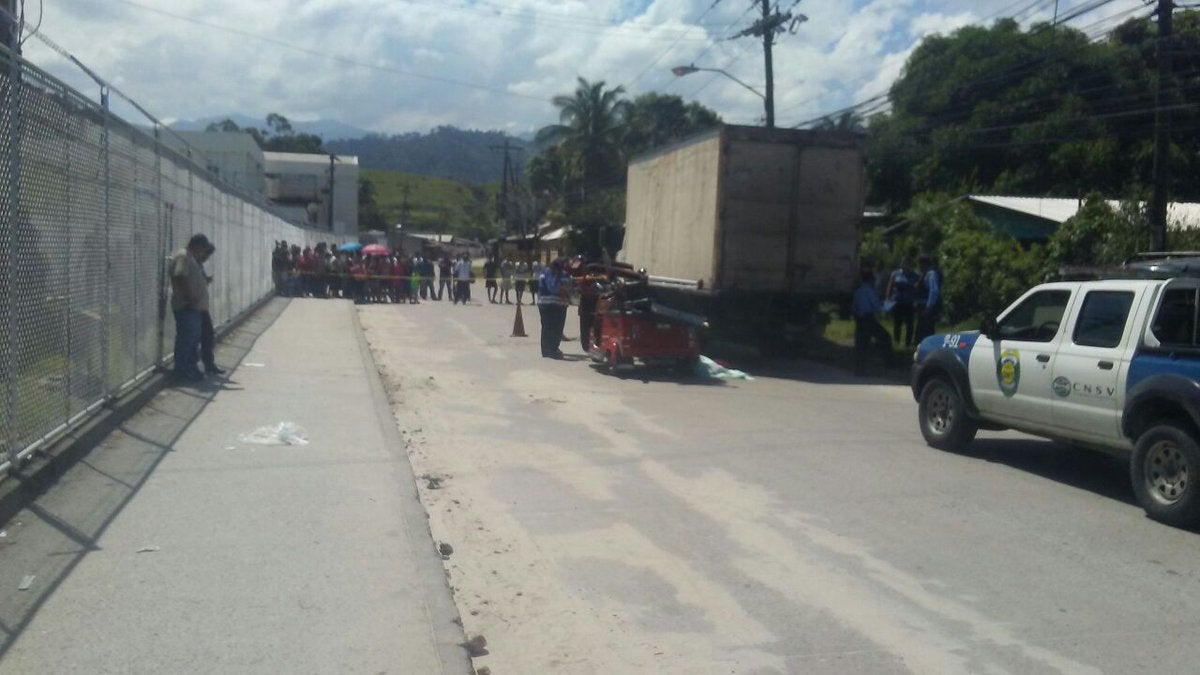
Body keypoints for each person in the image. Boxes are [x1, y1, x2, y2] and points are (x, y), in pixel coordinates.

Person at [169, 233, 211, 382]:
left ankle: (190, 368)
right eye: (203, 248)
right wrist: (189, 297)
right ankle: (181, 370)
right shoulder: (183, 256)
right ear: (197, 245)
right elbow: (179, 276)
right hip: (186, 306)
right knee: (186, 339)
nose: (204, 252)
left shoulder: (190, 257)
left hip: (193, 307)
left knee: (192, 340)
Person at [852, 268, 893, 376]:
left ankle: (859, 369)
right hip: (868, 319)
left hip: (859, 319)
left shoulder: (858, 291)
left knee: (861, 344)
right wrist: (887, 306)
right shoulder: (870, 291)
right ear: (871, 280)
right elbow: (878, 306)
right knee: (886, 337)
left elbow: (854, 306)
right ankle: (888, 363)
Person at [196, 242, 226, 376]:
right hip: (194, 305)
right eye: (206, 254)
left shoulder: (199, 265)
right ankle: (200, 365)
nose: (206, 257)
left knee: (207, 335)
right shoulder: (193, 264)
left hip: (201, 305)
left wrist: (206, 280)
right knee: (199, 336)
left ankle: (208, 363)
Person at [537, 259, 571, 359]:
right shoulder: (562, 275)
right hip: (558, 305)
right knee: (557, 328)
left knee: (546, 328)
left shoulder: (543, 273)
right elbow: (557, 288)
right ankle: (553, 350)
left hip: (543, 304)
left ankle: (545, 350)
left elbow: (540, 288)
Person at [884, 257, 919, 347]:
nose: (904, 265)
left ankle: (908, 343)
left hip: (909, 302)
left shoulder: (914, 275)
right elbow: (890, 286)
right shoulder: (895, 274)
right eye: (903, 263)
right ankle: (896, 341)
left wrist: (916, 299)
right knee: (897, 323)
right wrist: (888, 298)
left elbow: (917, 288)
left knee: (909, 324)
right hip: (897, 301)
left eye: (906, 263)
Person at [915, 254, 942, 343]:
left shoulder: (931, 274)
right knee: (921, 327)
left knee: (928, 328)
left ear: (924, 264)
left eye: (920, 264)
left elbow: (934, 290)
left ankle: (929, 344)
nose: (919, 266)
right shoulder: (923, 274)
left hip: (927, 305)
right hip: (921, 304)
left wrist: (929, 306)